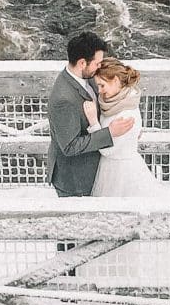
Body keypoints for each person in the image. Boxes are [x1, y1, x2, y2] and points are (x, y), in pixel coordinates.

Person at [45, 32, 133, 197]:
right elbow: (70, 147)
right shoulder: (63, 99)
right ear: (82, 63)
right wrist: (110, 133)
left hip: (96, 169)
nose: (100, 67)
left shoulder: (88, 76)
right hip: (76, 179)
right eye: (97, 63)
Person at [83, 58, 161, 196]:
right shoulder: (115, 102)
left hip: (122, 173)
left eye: (102, 85)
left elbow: (108, 150)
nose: (99, 91)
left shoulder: (126, 113)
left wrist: (93, 122)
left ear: (115, 80)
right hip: (110, 168)